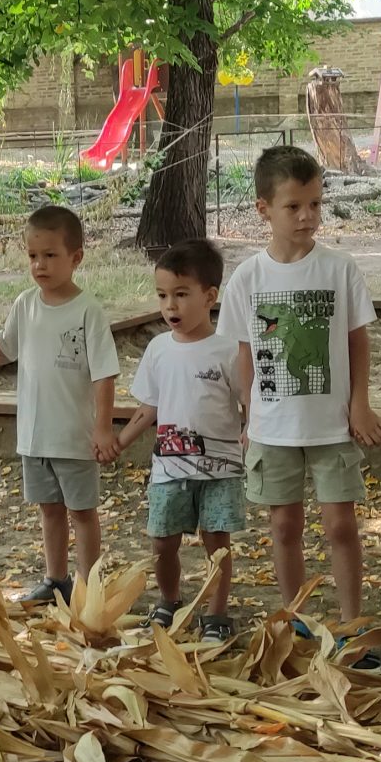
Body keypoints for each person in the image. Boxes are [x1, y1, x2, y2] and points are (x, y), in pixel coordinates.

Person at [220, 144, 381, 642]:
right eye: (294, 206)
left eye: (315, 203)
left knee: (340, 526)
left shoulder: (340, 270)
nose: (308, 216)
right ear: (263, 209)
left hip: (333, 425)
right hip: (273, 428)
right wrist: (249, 418)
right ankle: (293, 621)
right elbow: (245, 354)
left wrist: (360, 403)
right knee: (284, 527)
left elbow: (358, 341)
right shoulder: (248, 277)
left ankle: (352, 623)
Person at [0, 205, 120, 603]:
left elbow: (104, 373)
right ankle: (56, 580)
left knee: (82, 513)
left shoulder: (88, 312)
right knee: (49, 510)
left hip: (74, 437)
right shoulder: (24, 304)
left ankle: (89, 587)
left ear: (76, 258)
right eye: (33, 256)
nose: (40, 265)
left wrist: (103, 427)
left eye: (50, 255)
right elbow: (5, 346)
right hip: (34, 437)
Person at [115, 238, 244, 639]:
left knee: (216, 543)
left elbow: (248, 401)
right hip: (168, 468)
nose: (170, 305)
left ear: (209, 297)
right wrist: (120, 441)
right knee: (162, 541)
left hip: (220, 470)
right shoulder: (157, 350)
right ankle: (168, 601)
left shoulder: (229, 351)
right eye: (163, 295)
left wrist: (250, 435)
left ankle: (216, 615)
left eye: (181, 294)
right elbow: (148, 407)